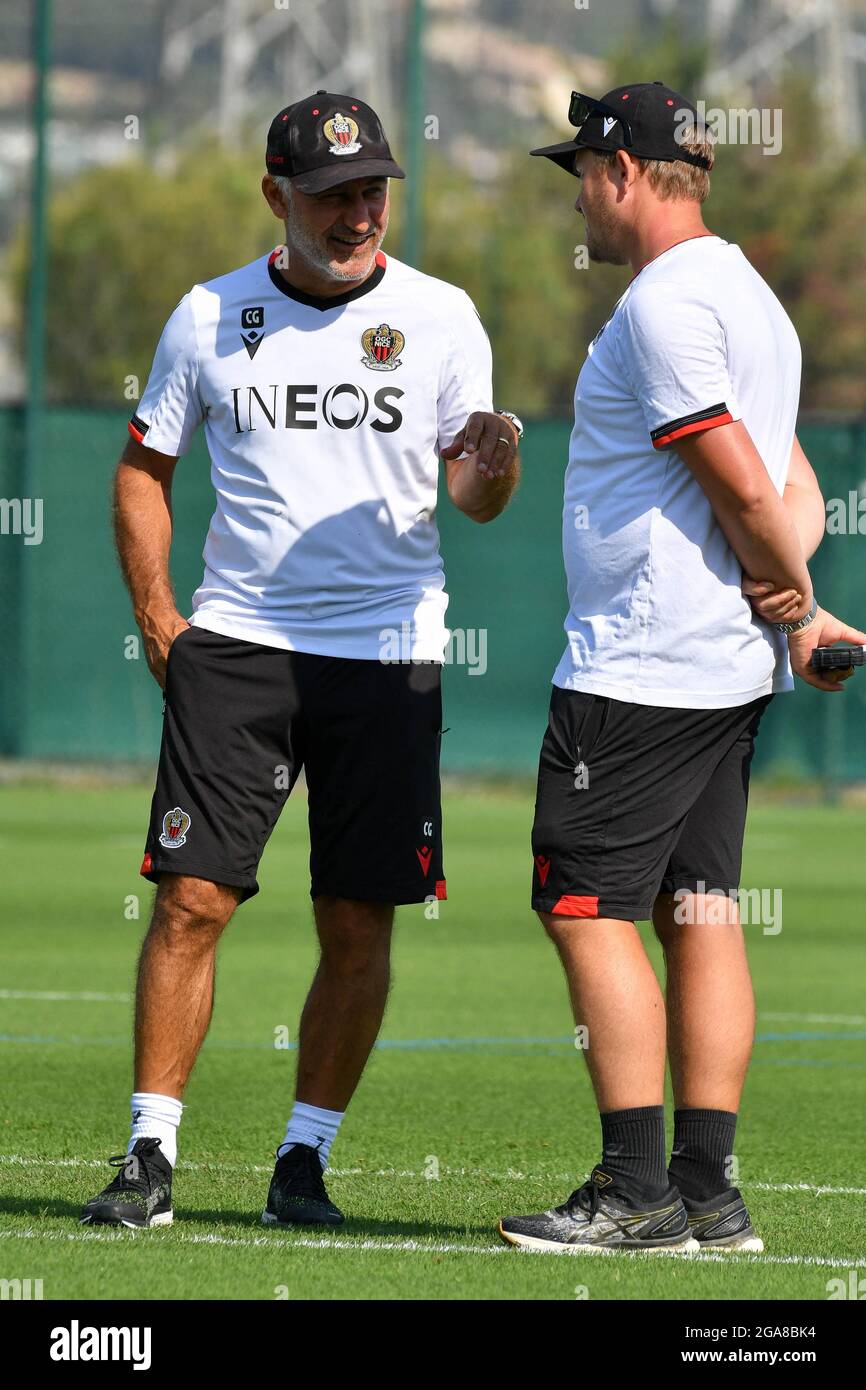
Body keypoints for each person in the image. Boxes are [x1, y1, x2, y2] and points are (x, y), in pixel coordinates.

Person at [82, 90, 522, 1231]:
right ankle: (149, 1154)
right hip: (237, 647)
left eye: (373, 188)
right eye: (331, 194)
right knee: (191, 899)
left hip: (386, 656)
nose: (358, 211)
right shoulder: (206, 316)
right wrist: (158, 617)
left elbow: (473, 498)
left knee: (358, 921)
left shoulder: (441, 317)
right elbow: (143, 469)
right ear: (274, 193)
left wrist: (492, 462)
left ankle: (301, 1164)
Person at [498, 82, 864, 1254]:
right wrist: (798, 614)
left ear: (621, 173)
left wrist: (795, 599)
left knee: (580, 906)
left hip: (641, 670)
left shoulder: (663, 307)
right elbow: (796, 487)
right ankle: (708, 1194)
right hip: (721, 670)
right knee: (699, 912)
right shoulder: (752, 300)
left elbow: (746, 487)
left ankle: (635, 1190)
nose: (580, 202)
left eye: (581, 177)